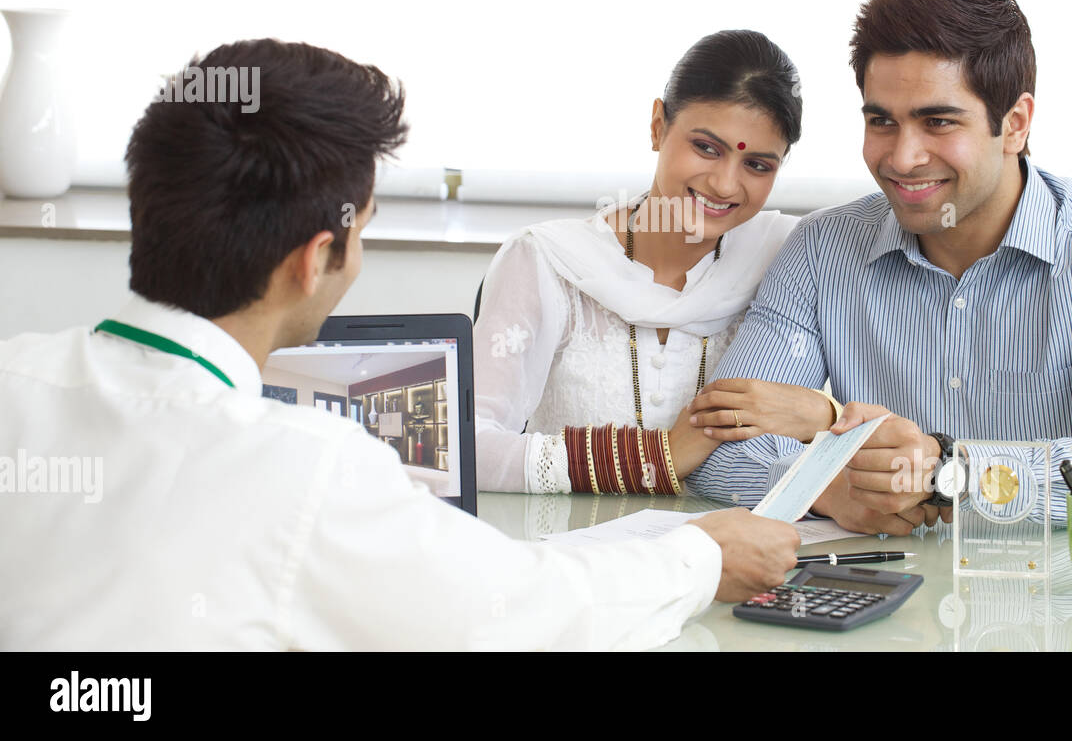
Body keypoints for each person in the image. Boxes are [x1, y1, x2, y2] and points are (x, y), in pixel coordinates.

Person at [0, 39, 800, 650]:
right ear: (319, 258)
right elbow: (519, 611)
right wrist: (698, 557)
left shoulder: (14, 379)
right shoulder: (309, 466)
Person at [680, 0, 1072, 533]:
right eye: (882, 122)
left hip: (1060, 603)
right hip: (876, 595)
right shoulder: (822, 250)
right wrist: (829, 489)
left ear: (1015, 124)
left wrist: (948, 473)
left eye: (938, 121)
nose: (903, 157)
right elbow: (721, 447)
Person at [474, 30, 841, 496]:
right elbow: (466, 449)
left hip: (736, 551)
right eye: (706, 148)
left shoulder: (790, 255)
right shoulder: (548, 263)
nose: (726, 185)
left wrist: (826, 415)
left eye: (758, 166)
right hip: (579, 555)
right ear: (657, 126)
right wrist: (660, 456)